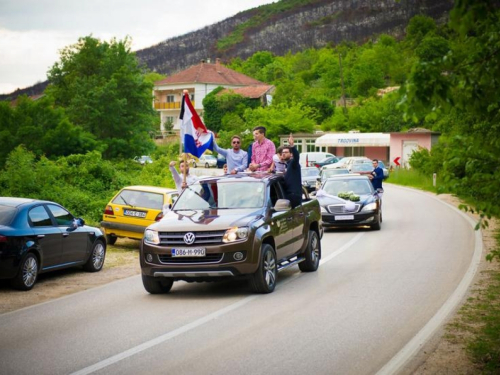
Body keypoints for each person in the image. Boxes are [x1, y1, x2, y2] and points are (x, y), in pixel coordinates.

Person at [281, 134, 302, 208]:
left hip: (294, 196)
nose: (283, 154)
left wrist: (292, 145)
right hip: (287, 195)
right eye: (282, 152)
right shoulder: (285, 165)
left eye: (286, 152)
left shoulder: (293, 163)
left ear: (291, 154)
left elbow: (297, 157)